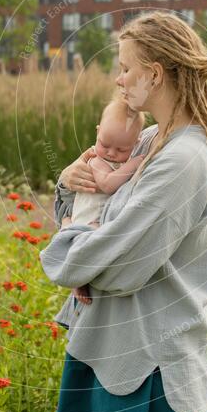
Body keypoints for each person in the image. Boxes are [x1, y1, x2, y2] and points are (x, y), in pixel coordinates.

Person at [39, 10, 207, 412]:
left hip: (148, 377)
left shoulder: (180, 161)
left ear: (154, 74)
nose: (118, 77)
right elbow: (100, 224)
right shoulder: (153, 142)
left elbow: (119, 265)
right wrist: (69, 186)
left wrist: (65, 248)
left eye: (126, 67)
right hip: (113, 355)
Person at [67, 96, 146, 308]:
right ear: (97, 131)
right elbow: (108, 185)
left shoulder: (119, 160)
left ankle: (80, 277)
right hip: (86, 221)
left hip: (95, 221)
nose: (111, 153)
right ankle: (75, 280)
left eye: (122, 150)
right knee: (89, 247)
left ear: (136, 144)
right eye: (105, 144)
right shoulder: (97, 161)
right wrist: (135, 163)